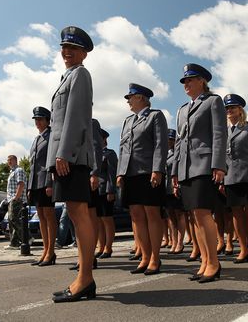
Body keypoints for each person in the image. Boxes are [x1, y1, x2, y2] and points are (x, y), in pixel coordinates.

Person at [48, 25, 97, 303]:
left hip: (72, 157)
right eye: (63, 48)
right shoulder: (67, 77)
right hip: (65, 157)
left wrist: (64, 153)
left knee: (80, 217)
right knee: (76, 217)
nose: (66, 52)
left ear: (83, 54)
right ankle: (84, 278)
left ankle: (85, 278)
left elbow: (77, 118)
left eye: (73, 48)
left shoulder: (80, 75)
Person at [172, 63, 227, 283]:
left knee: (204, 214)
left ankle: (214, 262)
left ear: (202, 81)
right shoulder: (182, 109)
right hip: (186, 167)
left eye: (190, 80)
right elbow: (178, 142)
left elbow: (219, 134)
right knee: (195, 217)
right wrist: (175, 169)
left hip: (204, 164)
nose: (186, 84)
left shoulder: (213, 101)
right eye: (184, 81)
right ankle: (205, 260)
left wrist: (219, 164)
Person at [117, 83, 168, 276]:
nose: (128, 101)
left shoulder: (155, 116)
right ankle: (145, 257)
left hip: (148, 172)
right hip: (130, 174)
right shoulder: (128, 121)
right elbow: (123, 149)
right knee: (137, 217)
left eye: (130, 97)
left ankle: (155, 257)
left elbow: (160, 145)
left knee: (152, 215)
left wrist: (157, 169)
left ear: (140, 97)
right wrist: (120, 172)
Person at [221, 94, 248, 264]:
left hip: (247, 175)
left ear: (240, 110)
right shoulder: (223, 131)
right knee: (236, 215)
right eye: (227, 108)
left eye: (232, 107)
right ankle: (243, 249)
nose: (229, 111)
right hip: (230, 177)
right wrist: (221, 179)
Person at [27, 106, 56, 266]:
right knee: (41, 217)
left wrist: (50, 183)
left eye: (40, 119)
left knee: (49, 216)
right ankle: (45, 250)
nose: (37, 122)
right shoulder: (37, 139)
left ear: (47, 120)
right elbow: (33, 165)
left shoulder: (51, 136)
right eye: (36, 120)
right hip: (36, 183)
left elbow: (50, 162)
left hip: (46, 182)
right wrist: (30, 187)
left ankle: (51, 251)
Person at [96, 128, 118, 258]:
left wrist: (111, 190)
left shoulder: (110, 154)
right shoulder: (94, 154)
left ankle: (108, 248)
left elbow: (111, 173)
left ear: (104, 139)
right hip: (96, 190)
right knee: (98, 220)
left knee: (107, 219)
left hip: (105, 191)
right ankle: (101, 246)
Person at [165, 128, 186, 255]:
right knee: (171, 217)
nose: (168, 142)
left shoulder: (178, 153)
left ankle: (180, 242)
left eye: (170, 139)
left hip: (177, 187)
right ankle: (173, 241)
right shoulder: (165, 153)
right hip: (166, 188)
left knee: (180, 214)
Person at [4, 155, 28, 250]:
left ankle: (27, 238)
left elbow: (21, 183)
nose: (8, 162)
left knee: (14, 219)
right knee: (11, 220)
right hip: (11, 199)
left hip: (17, 199)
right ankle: (14, 243)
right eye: (8, 160)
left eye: (10, 160)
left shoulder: (19, 170)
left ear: (15, 160)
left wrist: (16, 197)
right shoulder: (12, 172)